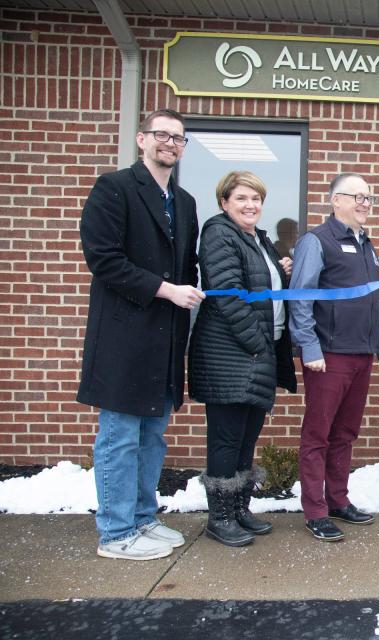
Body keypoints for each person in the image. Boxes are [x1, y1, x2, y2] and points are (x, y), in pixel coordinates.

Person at [78, 108, 205, 560]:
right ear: (141, 139)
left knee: (153, 436)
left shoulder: (185, 202)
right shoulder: (114, 188)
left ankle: (142, 517)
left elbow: (188, 265)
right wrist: (166, 290)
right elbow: (104, 259)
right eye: (162, 135)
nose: (170, 143)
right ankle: (114, 533)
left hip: (166, 339)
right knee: (120, 436)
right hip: (124, 336)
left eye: (178, 138)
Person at [188, 170, 297, 547]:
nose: (251, 206)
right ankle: (219, 518)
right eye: (241, 199)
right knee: (225, 439)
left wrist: (281, 272)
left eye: (256, 199)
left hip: (257, 354)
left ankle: (238, 509)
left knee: (246, 438)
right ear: (224, 202)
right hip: (231, 355)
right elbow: (228, 295)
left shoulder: (258, 240)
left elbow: (262, 287)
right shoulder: (219, 233)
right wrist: (257, 343)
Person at [289, 173, 379, 542]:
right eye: (357, 196)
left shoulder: (367, 244)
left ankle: (338, 500)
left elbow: (372, 298)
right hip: (328, 356)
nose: (365, 203)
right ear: (335, 201)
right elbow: (299, 297)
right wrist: (309, 347)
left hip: (361, 354)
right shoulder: (317, 241)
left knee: (345, 433)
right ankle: (315, 510)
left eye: (369, 198)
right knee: (318, 434)